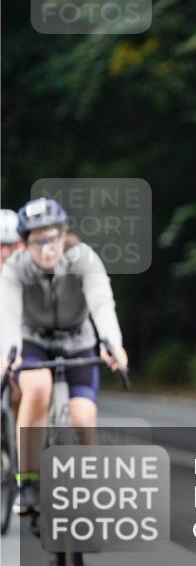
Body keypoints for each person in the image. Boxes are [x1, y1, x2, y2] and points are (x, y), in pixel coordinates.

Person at [0, 197, 128, 515]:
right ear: (25, 242)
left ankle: (92, 493)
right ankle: (26, 482)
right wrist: (10, 353)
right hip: (33, 341)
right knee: (38, 387)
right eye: (37, 241)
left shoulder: (83, 258)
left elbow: (101, 302)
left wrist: (112, 344)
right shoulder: (16, 268)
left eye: (53, 238)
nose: (47, 249)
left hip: (77, 340)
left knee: (83, 417)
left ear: (63, 233)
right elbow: (8, 313)